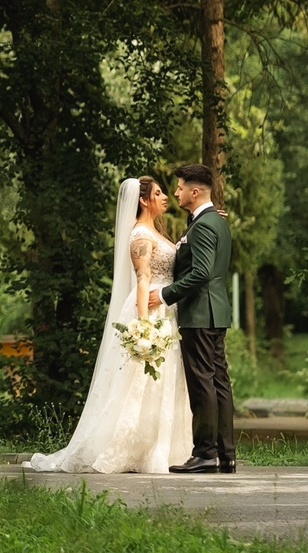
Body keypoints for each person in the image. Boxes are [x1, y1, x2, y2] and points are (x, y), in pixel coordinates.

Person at [26, 174, 193, 474]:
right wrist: (144, 326)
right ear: (143, 200)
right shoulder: (140, 235)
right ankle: (129, 449)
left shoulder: (156, 232)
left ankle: (161, 447)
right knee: (142, 382)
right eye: (158, 193)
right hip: (151, 311)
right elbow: (143, 279)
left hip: (167, 310)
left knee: (163, 383)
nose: (166, 196)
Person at [161, 164, 237, 474]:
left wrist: (168, 294)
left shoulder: (205, 225)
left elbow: (202, 272)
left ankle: (205, 453)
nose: (175, 192)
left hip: (200, 312)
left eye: (180, 187)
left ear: (195, 192)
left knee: (203, 383)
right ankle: (225, 453)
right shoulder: (211, 222)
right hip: (214, 311)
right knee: (218, 381)